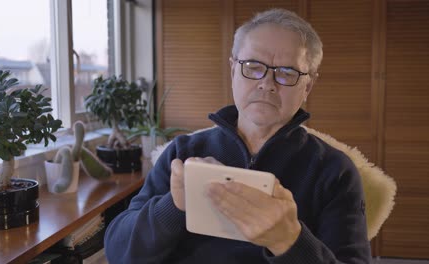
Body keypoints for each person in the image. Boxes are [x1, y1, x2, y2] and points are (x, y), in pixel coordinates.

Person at [104, 8, 371, 264]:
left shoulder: (334, 171)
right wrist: (173, 207)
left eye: (287, 73)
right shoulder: (182, 154)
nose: (267, 83)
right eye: (253, 66)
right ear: (233, 70)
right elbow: (119, 253)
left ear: (307, 86)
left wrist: (289, 241)